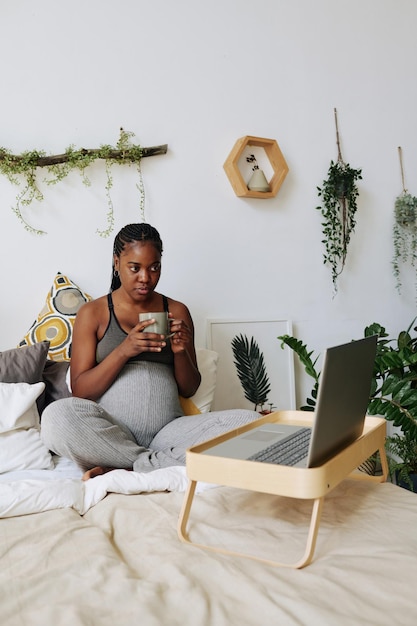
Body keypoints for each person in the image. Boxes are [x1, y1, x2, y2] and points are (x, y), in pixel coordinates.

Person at [41, 223, 259, 479]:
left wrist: (180, 352)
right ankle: (151, 463)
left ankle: (125, 466)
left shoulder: (177, 311)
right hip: (112, 432)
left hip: (170, 432)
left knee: (250, 424)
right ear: (116, 262)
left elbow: (189, 389)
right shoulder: (94, 313)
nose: (145, 277)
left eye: (154, 267)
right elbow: (81, 390)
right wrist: (124, 350)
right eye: (135, 268)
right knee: (56, 417)